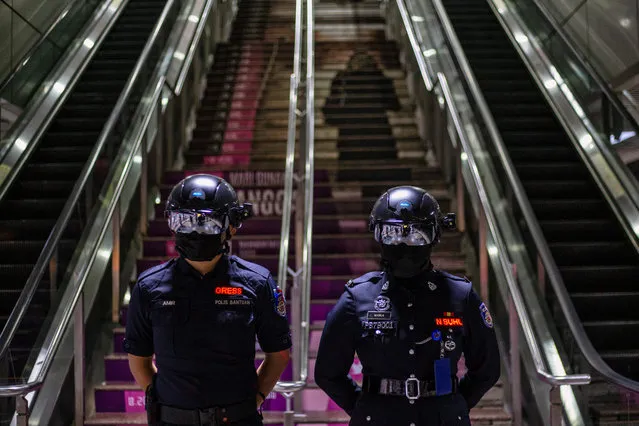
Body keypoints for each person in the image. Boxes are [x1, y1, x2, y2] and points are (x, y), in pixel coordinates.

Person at [314, 186, 500, 425]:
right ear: (378, 234)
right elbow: (328, 373)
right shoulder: (357, 297)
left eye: (416, 234)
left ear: (434, 236)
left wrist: (452, 405)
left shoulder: (460, 295)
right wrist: (365, 408)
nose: (404, 244)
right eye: (392, 233)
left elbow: (487, 369)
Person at [123, 174, 292, 426]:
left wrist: (255, 399)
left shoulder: (257, 282)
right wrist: (168, 402)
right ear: (172, 225)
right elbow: (139, 360)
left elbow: (278, 354)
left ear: (232, 225)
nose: (195, 231)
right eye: (185, 221)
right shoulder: (149, 287)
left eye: (208, 222)